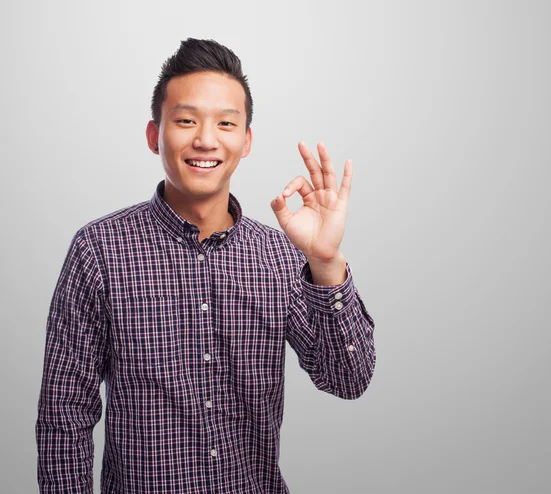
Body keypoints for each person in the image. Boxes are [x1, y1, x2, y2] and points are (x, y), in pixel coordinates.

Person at [36, 38, 376, 494]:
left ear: (246, 140)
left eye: (226, 123)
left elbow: (347, 378)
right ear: (155, 134)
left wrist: (326, 262)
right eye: (186, 120)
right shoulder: (99, 251)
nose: (205, 139)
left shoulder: (279, 257)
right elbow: (64, 417)